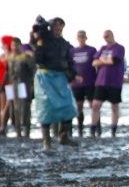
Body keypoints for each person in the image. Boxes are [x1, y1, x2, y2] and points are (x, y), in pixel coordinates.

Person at [32, 16, 80, 150]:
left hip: (60, 77)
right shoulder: (43, 41)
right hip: (45, 77)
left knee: (68, 106)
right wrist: (39, 41)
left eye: (60, 28)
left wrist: (75, 74)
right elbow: (37, 59)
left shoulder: (64, 43)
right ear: (51, 28)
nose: (58, 31)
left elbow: (68, 62)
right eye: (56, 28)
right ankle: (46, 141)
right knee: (46, 108)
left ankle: (63, 136)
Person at [90, 30, 125, 137]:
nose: (106, 38)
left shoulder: (119, 48)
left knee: (114, 106)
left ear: (112, 35)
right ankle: (92, 130)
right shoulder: (103, 48)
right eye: (104, 37)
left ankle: (113, 130)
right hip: (101, 81)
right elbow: (94, 62)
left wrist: (102, 59)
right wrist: (105, 60)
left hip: (115, 81)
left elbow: (113, 61)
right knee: (95, 105)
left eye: (107, 36)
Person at [0, 38, 36, 137]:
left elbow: (33, 71)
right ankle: (17, 131)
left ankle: (26, 131)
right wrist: (2, 84)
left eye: (16, 45)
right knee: (13, 108)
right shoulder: (10, 58)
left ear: (20, 46)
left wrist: (33, 85)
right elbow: (7, 72)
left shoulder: (26, 57)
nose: (14, 47)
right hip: (12, 85)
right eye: (13, 45)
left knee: (24, 107)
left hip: (23, 85)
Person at [70, 30, 97, 137]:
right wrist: (71, 79)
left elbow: (96, 63)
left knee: (93, 106)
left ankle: (95, 128)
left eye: (83, 37)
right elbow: (70, 66)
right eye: (79, 37)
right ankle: (80, 128)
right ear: (77, 38)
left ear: (86, 38)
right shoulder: (72, 51)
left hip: (90, 82)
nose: (81, 39)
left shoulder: (91, 50)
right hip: (77, 84)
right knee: (78, 106)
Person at [0, 35, 13, 136]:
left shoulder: (10, 55)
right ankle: (3, 127)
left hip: (8, 83)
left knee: (6, 107)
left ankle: (3, 126)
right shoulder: (5, 55)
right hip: (4, 83)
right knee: (5, 107)